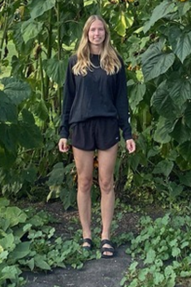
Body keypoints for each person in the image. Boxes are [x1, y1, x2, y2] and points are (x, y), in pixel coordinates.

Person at [58, 14, 136, 259]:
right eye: (93, 30)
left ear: (106, 33)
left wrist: (128, 133)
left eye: (100, 30)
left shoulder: (115, 62)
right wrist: (63, 132)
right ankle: (86, 234)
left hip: (107, 126)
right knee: (83, 182)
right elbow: (67, 100)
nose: (97, 34)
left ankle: (105, 236)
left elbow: (122, 101)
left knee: (106, 183)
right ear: (86, 33)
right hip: (80, 126)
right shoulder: (75, 62)